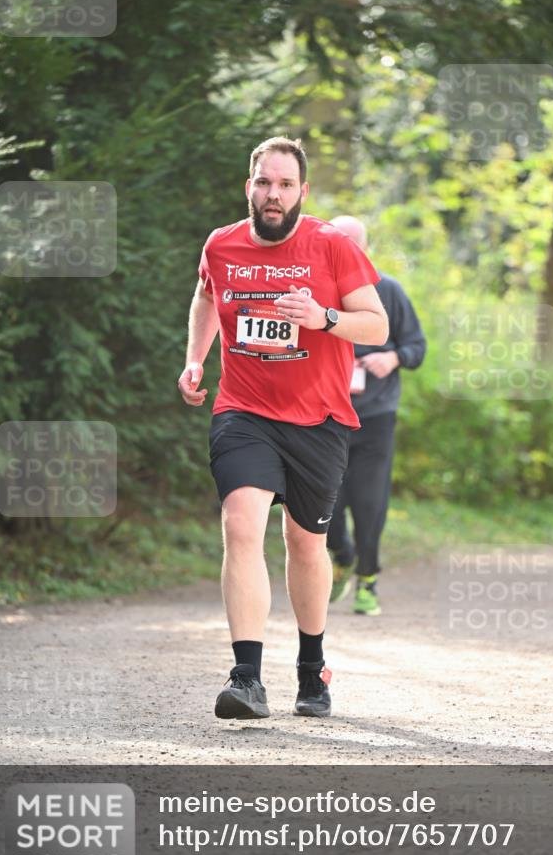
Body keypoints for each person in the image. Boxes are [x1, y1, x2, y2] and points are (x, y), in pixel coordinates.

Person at [177, 137, 388, 721]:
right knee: (242, 524)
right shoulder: (221, 245)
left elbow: (375, 324)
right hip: (242, 411)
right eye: (265, 183)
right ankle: (246, 678)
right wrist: (196, 358)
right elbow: (205, 294)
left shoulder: (332, 246)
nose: (274, 195)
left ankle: (311, 667)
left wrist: (322, 317)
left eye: (286, 185)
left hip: (319, 420)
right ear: (249, 186)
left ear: (302, 191)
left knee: (305, 544)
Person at [326, 216, 426, 617]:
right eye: (339, 244)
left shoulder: (388, 290)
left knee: (369, 502)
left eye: (355, 245)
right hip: (324, 417)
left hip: (375, 418)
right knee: (324, 500)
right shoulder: (314, 290)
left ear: (366, 249)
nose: (347, 252)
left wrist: (394, 356)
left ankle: (367, 578)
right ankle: (343, 555)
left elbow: (417, 346)